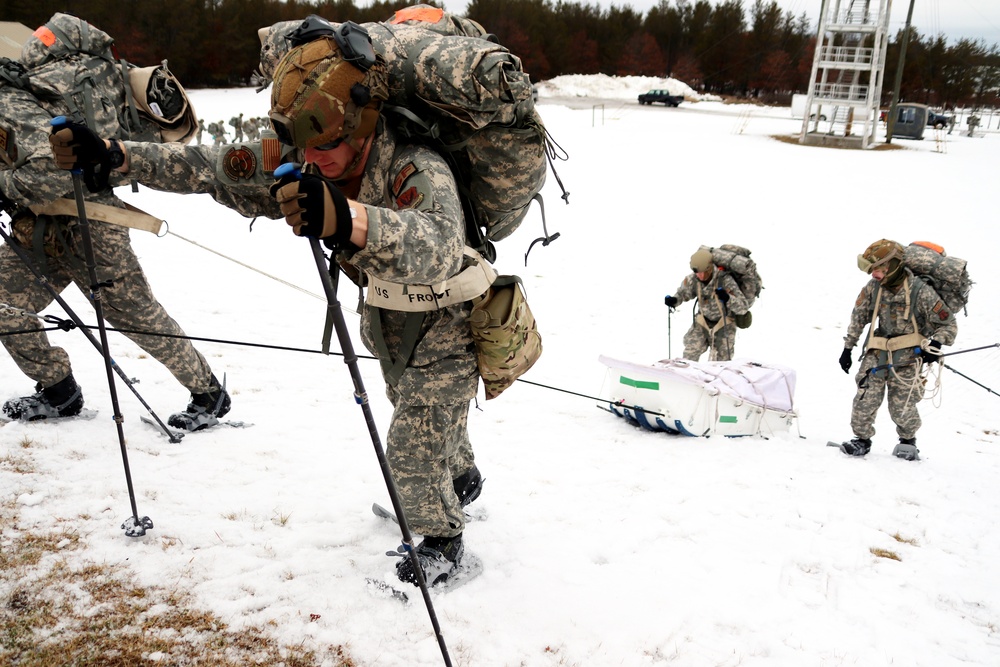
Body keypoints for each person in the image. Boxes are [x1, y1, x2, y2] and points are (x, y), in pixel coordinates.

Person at [50, 21, 484, 587]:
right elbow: (209, 166)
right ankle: (462, 479)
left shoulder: (414, 165)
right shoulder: (313, 151)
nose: (315, 159)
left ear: (364, 123)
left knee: (407, 448)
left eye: (327, 146)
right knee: (416, 409)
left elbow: (440, 246)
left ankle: (446, 544)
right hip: (389, 321)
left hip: (447, 326)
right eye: (306, 147)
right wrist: (115, 155)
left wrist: (346, 217)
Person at [0, 16, 230, 430]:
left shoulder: (11, 99)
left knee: (137, 318)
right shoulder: (22, 90)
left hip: (91, 228)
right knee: (3, 304)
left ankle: (209, 394)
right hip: (37, 230)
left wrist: (3, 184)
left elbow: (51, 170)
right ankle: (59, 390)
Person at [837, 239, 957, 460]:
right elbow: (859, 316)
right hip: (877, 352)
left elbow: (947, 324)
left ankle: (908, 441)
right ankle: (861, 439)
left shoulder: (921, 291)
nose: (873, 274)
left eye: (877, 269)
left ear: (891, 265)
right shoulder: (873, 288)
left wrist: (936, 344)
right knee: (865, 398)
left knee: (901, 405)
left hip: (909, 357)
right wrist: (848, 347)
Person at [663, 248, 750, 361]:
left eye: (701, 272)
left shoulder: (725, 280)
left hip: (724, 324)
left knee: (722, 361)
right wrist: (674, 300)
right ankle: (685, 376)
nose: (698, 275)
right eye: (696, 272)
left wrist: (728, 298)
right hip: (702, 322)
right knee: (690, 352)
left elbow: (743, 307)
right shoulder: (693, 279)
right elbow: (683, 293)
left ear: (709, 269)